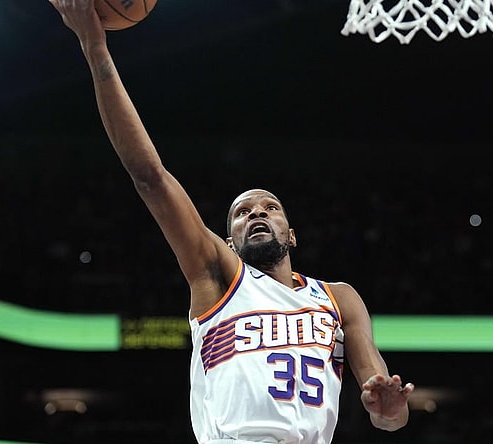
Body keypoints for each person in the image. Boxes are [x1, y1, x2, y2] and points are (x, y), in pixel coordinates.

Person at [48, 1, 414, 442]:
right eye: (242, 212)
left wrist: (389, 408)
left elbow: (385, 409)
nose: (257, 212)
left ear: (292, 234)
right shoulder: (217, 275)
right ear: (229, 240)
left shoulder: (340, 299)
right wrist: (95, 46)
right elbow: (150, 177)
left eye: (270, 207)